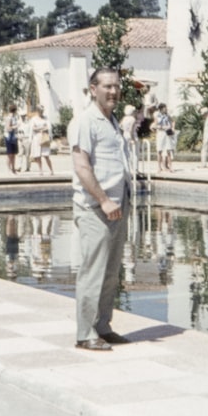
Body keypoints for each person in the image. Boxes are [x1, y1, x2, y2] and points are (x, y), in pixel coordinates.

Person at [70, 67, 134, 351]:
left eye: (116, 86)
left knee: (110, 272)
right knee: (93, 272)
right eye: (107, 86)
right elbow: (82, 166)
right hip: (96, 207)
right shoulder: (86, 121)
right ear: (93, 88)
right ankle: (85, 333)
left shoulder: (112, 120)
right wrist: (104, 199)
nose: (113, 91)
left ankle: (103, 326)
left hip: (118, 205)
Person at [29, 106, 54, 175]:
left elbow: (48, 127)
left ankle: (51, 170)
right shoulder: (34, 119)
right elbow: (33, 128)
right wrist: (41, 128)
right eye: (40, 111)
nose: (41, 112)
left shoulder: (46, 118)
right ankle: (40, 170)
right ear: (37, 111)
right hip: (36, 137)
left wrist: (40, 128)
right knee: (38, 155)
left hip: (44, 137)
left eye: (42, 111)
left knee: (46, 155)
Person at [153, 102, 175, 172]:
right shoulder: (157, 116)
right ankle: (159, 167)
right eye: (165, 108)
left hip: (167, 133)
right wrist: (161, 127)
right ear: (161, 109)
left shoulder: (167, 115)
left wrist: (172, 128)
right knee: (159, 150)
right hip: (161, 133)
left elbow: (172, 121)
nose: (166, 109)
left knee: (168, 150)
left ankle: (170, 167)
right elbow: (155, 125)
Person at [119, 104, 139, 173]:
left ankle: (129, 168)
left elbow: (120, 126)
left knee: (127, 152)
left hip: (125, 134)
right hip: (132, 135)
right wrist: (132, 139)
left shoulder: (124, 118)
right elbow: (131, 130)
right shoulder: (132, 119)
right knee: (135, 153)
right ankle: (135, 169)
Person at [3, 104, 20, 174]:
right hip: (9, 137)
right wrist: (16, 126)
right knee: (10, 154)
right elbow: (8, 128)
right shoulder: (9, 118)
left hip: (14, 137)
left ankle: (13, 168)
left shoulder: (14, 117)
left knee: (13, 153)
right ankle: (9, 168)